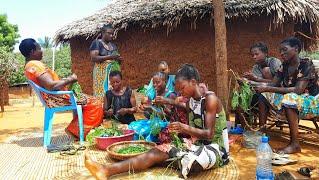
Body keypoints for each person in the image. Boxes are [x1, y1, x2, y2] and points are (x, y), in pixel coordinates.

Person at [84, 64, 229, 179]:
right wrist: (165, 102)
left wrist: (183, 128)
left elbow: (209, 134)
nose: (180, 93)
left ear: (193, 82)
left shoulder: (210, 99)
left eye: (182, 88)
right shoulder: (191, 101)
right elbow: (182, 105)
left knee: (188, 160)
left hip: (216, 149)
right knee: (155, 152)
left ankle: (180, 159)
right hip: (196, 145)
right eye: (178, 90)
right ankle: (106, 170)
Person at [248, 37, 319, 154]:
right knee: (264, 95)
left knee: (289, 98)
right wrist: (256, 84)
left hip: (312, 100)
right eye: (280, 50)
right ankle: (262, 134)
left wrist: (267, 87)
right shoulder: (284, 65)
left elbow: (298, 90)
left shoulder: (306, 64)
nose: (281, 53)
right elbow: (273, 83)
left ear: (296, 49)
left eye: (284, 50)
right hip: (294, 98)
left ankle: (294, 144)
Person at [20, 38, 103, 138]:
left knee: (86, 101)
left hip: (53, 98)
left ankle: (76, 130)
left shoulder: (29, 66)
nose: (42, 51)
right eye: (39, 48)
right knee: (96, 103)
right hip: (57, 99)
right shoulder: (35, 65)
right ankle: (75, 131)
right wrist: (70, 79)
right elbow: (52, 86)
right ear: (32, 52)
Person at [236, 42, 282, 127]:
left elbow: (276, 82)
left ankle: (262, 128)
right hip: (261, 91)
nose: (254, 57)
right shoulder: (256, 67)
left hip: (276, 91)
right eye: (252, 55)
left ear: (265, 53)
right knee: (240, 98)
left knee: (266, 70)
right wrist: (246, 82)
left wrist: (255, 79)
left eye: (256, 54)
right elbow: (257, 84)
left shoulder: (274, 62)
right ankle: (243, 127)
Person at [90, 24, 123, 101]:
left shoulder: (113, 46)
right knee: (101, 93)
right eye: (109, 33)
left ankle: (112, 109)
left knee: (113, 91)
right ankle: (101, 111)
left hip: (111, 74)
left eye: (112, 33)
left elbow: (115, 60)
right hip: (100, 74)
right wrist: (110, 57)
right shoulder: (97, 43)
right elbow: (93, 58)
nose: (111, 35)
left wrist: (118, 60)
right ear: (103, 33)